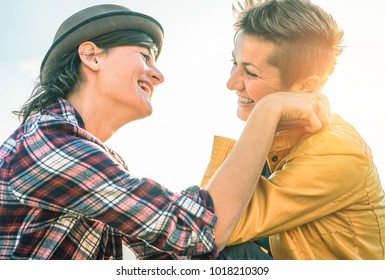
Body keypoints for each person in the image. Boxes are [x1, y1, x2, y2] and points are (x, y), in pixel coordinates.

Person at [0, 4, 328, 260]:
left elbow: (176, 251)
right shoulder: (49, 143)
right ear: (91, 56)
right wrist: (268, 111)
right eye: (145, 56)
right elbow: (197, 230)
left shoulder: (96, 158)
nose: (158, 75)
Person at [201, 0, 385, 260]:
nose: (231, 83)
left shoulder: (335, 151)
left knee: (225, 255)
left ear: (305, 85)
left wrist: (267, 110)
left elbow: (207, 228)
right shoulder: (275, 147)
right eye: (235, 62)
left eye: (251, 73)